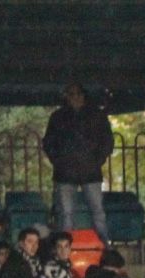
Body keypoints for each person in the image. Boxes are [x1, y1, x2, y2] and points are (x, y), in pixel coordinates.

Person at [42, 83, 113, 238]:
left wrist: (97, 160)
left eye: (78, 94)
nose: (75, 97)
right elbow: (48, 143)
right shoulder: (58, 117)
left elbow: (107, 141)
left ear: (84, 95)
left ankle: (103, 248)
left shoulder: (96, 115)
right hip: (67, 173)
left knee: (97, 212)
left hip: (89, 171)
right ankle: (65, 250)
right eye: (71, 94)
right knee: (66, 214)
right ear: (66, 97)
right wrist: (60, 161)